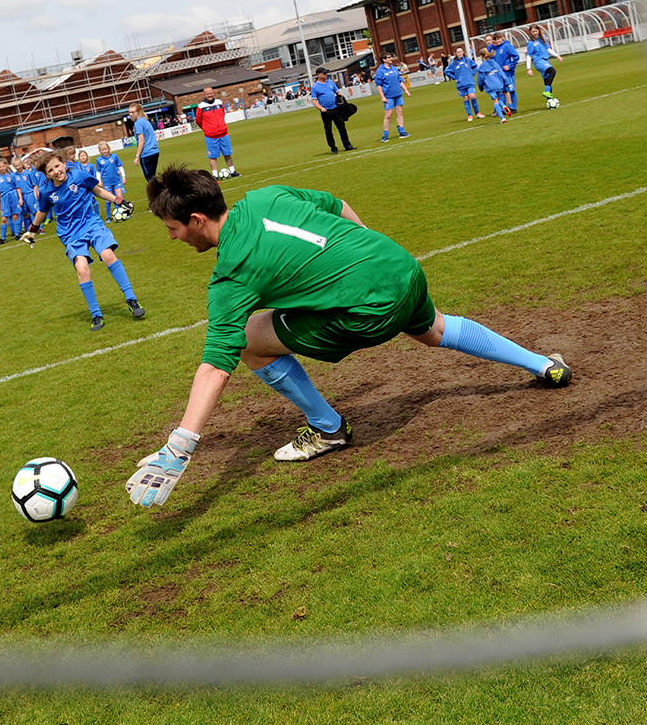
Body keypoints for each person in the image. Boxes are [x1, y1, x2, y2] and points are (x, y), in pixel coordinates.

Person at [124, 166, 571, 507]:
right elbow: (336, 205)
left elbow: (214, 369)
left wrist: (180, 445)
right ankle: (544, 364)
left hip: (368, 311)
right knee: (435, 328)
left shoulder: (231, 277)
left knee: (246, 338)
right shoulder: (266, 195)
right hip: (398, 265)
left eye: (173, 228)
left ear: (197, 219)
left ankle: (328, 428)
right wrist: (363, 258)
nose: (172, 237)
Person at [21, 150, 143, 332]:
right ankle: (96, 314)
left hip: (91, 224)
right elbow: (43, 212)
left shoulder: (78, 175)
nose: (55, 171)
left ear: (63, 163)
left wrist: (119, 200)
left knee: (108, 255)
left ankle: (132, 299)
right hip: (70, 234)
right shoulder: (46, 191)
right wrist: (32, 230)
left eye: (57, 166)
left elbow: (97, 190)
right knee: (82, 270)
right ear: (46, 174)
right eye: (50, 170)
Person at [194, 86, 239, 178]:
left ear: (213, 93)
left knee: (227, 154)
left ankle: (233, 171)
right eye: (207, 94)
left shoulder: (219, 102)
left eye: (210, 93)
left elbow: (223, 113)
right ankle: (215, 175)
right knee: (213, 156)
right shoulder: (201, 106)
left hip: (223, 133)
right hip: (211, 136)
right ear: (204, 95)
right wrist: (207, 129)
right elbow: (198, 121)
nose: (209, 95)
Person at [309, 67, 355, 155]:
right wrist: (322, 109)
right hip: (326, 111)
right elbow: (314, 101)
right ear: (319, 75)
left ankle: (347, 145)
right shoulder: (315, 87)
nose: (326, 75)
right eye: (324, 73)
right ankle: (333, 148)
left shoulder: (330, 83)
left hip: (336, 109)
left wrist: (341, 102)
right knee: (328, 130)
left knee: (342, 128)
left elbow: (338, 93)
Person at [373, 52, 410, 142]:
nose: (391, 59)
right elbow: (379, 85)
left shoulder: (394, 68)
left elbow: (400, 80)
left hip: (398, 94)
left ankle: (402, 131)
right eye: (389, 57)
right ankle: (385, 135)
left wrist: (406, 90)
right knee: (388, 115)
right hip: (388, 96)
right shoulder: (380, 71)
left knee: (400, 113)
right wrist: (382, 96)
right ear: (384, 59)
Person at [444, 45, 485, 121]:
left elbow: (475, 66)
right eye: (458, 52)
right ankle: (469, 115)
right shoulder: (453, 63)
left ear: (463, 52)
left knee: (472, 95)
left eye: (461, 52)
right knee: (465, 98)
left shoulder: (468, 60)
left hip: (469, 82)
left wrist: (472, 74)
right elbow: (446, 71)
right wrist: (454, 78)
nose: (459, 53)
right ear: (455, 53)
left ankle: (477, 113)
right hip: (461, 84)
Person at [525, 26, 564, 101]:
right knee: (552, 71)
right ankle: (546, 91)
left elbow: (548, 49)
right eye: (533, 32)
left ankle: (550, 100)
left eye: (536, 31)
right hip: (538, 61)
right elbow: (529, 56)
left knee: (547, 79)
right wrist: (529, 68)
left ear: (539, 31)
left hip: (545, 60)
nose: (535, 33)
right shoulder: (531, 43)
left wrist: (557, 55)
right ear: (530, 33)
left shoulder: (542, 39)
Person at [475, 46, 510, 121]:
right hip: (499, 85)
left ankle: (502, 117)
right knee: (499, 98)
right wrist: (506, 82)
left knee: (495, 101)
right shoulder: (495, 63)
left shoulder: (481, 67)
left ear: (481, 56)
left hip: (490, 86)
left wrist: (480, 88)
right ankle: (504, 106)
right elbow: (502, 73)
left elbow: (480, 80)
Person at [490, 32, 521, 113]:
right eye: (495, 40)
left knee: (511, 90)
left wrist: (510, 66)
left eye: (498, 39)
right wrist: (491, 45)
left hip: (508, 73)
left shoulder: (507, 46)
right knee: (502, 91)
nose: (497, 41)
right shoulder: (495, 49)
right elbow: (486, 53)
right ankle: (505, 108)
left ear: (502, 38)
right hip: (499, 74)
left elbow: (516, 56)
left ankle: (513, 108)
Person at [95, 141, 127, 221]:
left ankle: (121, 212)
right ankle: (108, 217)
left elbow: (120, 166)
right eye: (103, 150)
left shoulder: (114, 156)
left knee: (119, 197)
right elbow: (98, 171)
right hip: (107, 182)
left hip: (116, 181)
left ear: (109, 149)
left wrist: (123, 177)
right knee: (109, 199)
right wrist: (99, 181)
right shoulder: (99, 160)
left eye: (106, 149)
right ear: (100, 151)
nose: (105, 151)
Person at [129, 102, 160, 182]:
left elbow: (141, 141)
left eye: (133, 112)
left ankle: (159, 193)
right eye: (129, 112)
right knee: (153, 177)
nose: (130, 114)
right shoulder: (146, 121)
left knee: (150, 180)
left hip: (146, 153)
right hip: (155, 152)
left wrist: (137, 156)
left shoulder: (138, 123)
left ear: (138, 112)